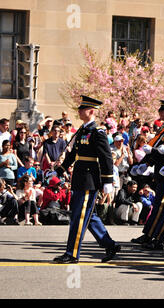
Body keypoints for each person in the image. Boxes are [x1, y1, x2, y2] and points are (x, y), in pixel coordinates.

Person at [53, 95, 120, 264]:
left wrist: (107, 181)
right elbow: (74, 154)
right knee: (88, 217)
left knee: (78, 217)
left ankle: (72, 253)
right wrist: (59, 170)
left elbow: (106, 158)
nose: (79, 111)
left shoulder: (98, 132)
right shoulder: (83, 130)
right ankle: (110, 245)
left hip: (89, 180)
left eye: (82, 109)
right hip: (80, 178)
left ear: (91, 111)